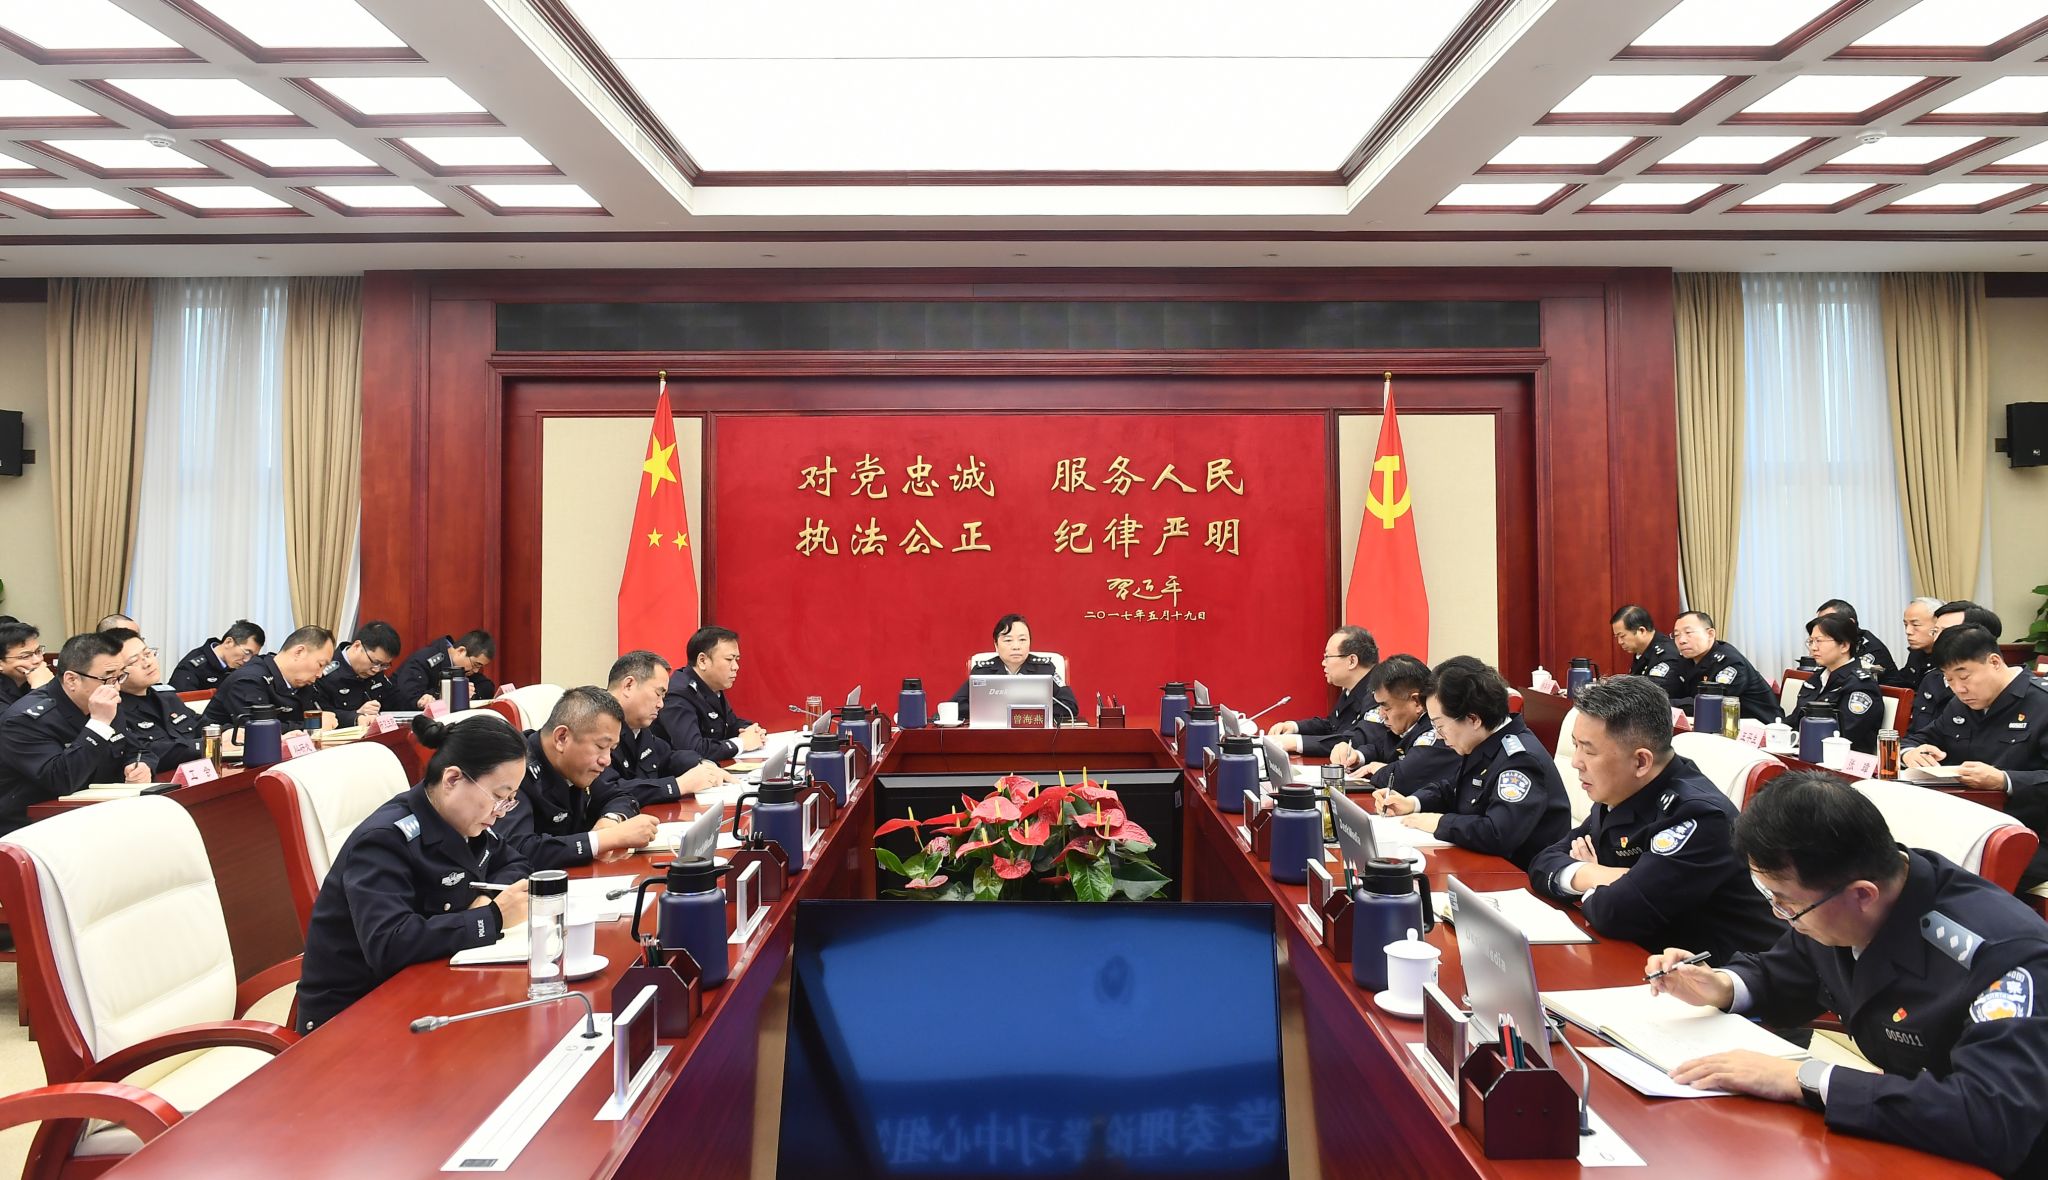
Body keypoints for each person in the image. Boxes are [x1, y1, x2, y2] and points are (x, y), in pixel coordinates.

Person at [1650, 773, 2048, 1177]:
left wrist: (1805, 1079)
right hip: (1905, 1135)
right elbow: (1788, 972)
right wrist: (1720, 986)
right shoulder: (1840, 896)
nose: (1780, 915)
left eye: (1787, 905)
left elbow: (1991, 1117)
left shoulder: (2005, 957)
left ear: (1862, 894)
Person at [294, 714, 534, 1033]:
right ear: (452, 779)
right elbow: (389, 944)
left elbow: (517, 864)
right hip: (353, 1015)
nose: (500, 811)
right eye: (498, 796)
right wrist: (492, 917)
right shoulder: (384, 840)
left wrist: (487, 898)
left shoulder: (466, 822)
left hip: (427, 983)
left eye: (509, 800)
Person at [1529, 676, 1779, 961]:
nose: (1575, 761)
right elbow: (1543, 863)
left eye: (1588, 750)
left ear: (1641, 761)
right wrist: (1599, 875)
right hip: (1647, 956)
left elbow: (1617, 913)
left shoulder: (1700, 817)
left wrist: (1595, 885)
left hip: (1719, 975)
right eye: (1575, 746)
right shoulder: (1622, 791)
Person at [1371, 656, 1568, 869]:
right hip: (1483, 865)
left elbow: (1497, 833)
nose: (1437, 736)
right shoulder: (1485, 742)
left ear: (1473, 719)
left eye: (1439, 726)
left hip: (1518, 875)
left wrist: (1439, 823)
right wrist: (1413, 803)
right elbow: (1453, 789)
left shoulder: (1521, 760)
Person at [1901, 625, 2048, 889]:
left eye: (1964, 676)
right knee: (1898, 860)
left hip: (2029, 835)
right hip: (1967, 828)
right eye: (1949, 680)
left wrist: (2004, 780)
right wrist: (1911, 753)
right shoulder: (1962, 704)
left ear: (1994, 662)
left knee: (1938, 882)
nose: (1959, 688)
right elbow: (1916, 739)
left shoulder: (2041, 703)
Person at [493, 686, 658, 870]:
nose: (607, 760)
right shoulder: (515, 769)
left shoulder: (578, 766)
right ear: (562, 738)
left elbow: (620, 796)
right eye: (600, 746)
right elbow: (518, 851)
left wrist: (610, 820)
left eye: (611, 749)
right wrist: (604, 840)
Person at [0, 632, 147, 835]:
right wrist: (98, 724)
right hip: (34, 829)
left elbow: (137, 748)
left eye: (120, 676)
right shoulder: (23, 720)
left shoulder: (104, 700)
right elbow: (62, 781)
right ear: (71, 680)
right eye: (108, 678)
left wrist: (141, 765)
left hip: (97, 816)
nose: (116, 687)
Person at [605, 650, 731, 808]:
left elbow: (668, 757)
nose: (661, 704)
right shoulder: (595, 726)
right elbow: (608, 790)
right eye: (658, 694)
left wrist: (703, 764)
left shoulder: (639, 728)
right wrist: (678, 785)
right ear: (628, 685)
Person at [1343, 654, 1460, 797]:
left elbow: (1403, 778)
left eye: (1386, 707)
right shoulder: (1407, 726)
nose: (1381, 714)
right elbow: (1381, 748)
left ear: (1417, 702)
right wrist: (1358, 756)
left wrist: (1377, 769)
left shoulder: (1435, 730)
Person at [1271, 626, 1386, 759]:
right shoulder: (1352, 689)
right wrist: (1294, 727)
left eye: (1327, 657)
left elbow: (1357, 740)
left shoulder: (1380, 692)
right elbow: (1333, 725)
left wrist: (1297, 743)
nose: (1323, 663)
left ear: (1352, 661)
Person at [946, 614, 1081, 725]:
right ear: (996, 645)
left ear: (1030, 642)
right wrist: (996, 710)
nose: (1016, 646)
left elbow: (1070, 706)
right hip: (993, 736)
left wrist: (1027, 711)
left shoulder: (1045, 669)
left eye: (1022, 640)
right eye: (1008, 640)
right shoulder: (982, 671)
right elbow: (956, 706)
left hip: (1035, 734)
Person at [659, 626, 766, 762]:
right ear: (702, 661)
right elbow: (693, 749)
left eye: (737, 659)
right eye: (729, 659)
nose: (736, 667)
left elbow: (730, 725)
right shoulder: (678, 694)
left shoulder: (712, 687)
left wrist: (752, 731)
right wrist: (742, 743)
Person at [103, 628, 202, 773]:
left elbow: (200, 724)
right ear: (115, 673)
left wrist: (225, 733)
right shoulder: (113, 710)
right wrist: (204, 745)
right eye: (134, 661)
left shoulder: (167, 697)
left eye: (147, 654)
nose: (148, 663)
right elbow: (146, 751)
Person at [1786, 613, 1884, 755]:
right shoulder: (1817, 678)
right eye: (1811, 641)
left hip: (1838, 760)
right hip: (1804, 751)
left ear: (1844, 645)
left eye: (1819, 641)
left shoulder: (1861, 686)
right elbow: (1795, 719)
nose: (1813, 648)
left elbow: (1845, 736)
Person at [203, 625, 335, 730]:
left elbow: (323, 714)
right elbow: (260, 731)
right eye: (320, 664)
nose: (320, 674)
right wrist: (313, 725)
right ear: (299, 652)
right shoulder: (249, 680)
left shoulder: (302, 683)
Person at [1909, 601, 2004, 735]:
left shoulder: (1993, 686)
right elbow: (1918, 734)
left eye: (1946, 632)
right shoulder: (1932, 679)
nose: (1937, 640)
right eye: (1935, 631)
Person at [1668, 610, 1780, 723]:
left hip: (1759, 726)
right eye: (1676, 635)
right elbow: (1672, 689)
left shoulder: (1730, 663)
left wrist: (1665, 704)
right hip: (1714, 723)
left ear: (1710, 634)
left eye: (1688, 632)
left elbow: (1709, 704)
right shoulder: (1686, 660)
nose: (1681, 640)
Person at [306, 621, 401, 726]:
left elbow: (395, 701)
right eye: (375, 662)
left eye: (384, 665)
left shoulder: (377, 671)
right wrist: (356, 715)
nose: (376, 669)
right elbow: (318, 716)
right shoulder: (324, 672)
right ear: (357, 646)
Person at [385, 629, 497, 712]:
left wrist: (468, 694)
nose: (476, 671)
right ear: (461, 651)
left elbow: (487, 687)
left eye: (480, 667)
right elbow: (411, 698)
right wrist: (451, 693)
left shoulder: (465, 667)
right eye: (476, 664)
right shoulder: (425, 659)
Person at [1609, 605, 1695, 701]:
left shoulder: (1666, 655)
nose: (1620, 642)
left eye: (1622, 636)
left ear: (1642, 631)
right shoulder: (1642, 651)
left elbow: (1650, 695)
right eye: (1617, 637)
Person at [1815, 598, 1899, 682]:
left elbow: (1847, 679)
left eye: (1828, 622)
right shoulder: (1831, 643)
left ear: (1850, 623)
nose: (1821, 628)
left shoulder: (1872, 648)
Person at [168, 620, 265, 692]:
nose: (247, 660)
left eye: (253, 656)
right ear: (228, 642)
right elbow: (181, 704)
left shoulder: (242, 667)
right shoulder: (192, 667)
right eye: (247, 652)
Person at [1888, 597, 1944, 690]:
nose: (1908, 631)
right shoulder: (1917, 653)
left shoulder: (1950, 658)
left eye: (1915, 625)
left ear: (1938, 625)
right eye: (1906, 625)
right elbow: (1903, 682)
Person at [0, 618, 50, 712]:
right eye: (25, 656)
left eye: (38, 651)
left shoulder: (37, 677)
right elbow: (12, 720)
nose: (38, 660)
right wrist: (38, 690)